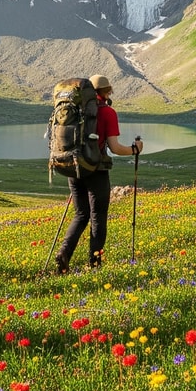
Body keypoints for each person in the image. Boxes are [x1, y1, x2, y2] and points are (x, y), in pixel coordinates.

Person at [54, 75, 141, 273]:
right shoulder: (108, 112)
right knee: (98, 217)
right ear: (107, 91)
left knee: (81, 214)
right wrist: (135, 149)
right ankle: (94, 264)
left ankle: (64, 254)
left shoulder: (75, 110)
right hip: (96, 170)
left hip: (73, 166)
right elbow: (115, 147)